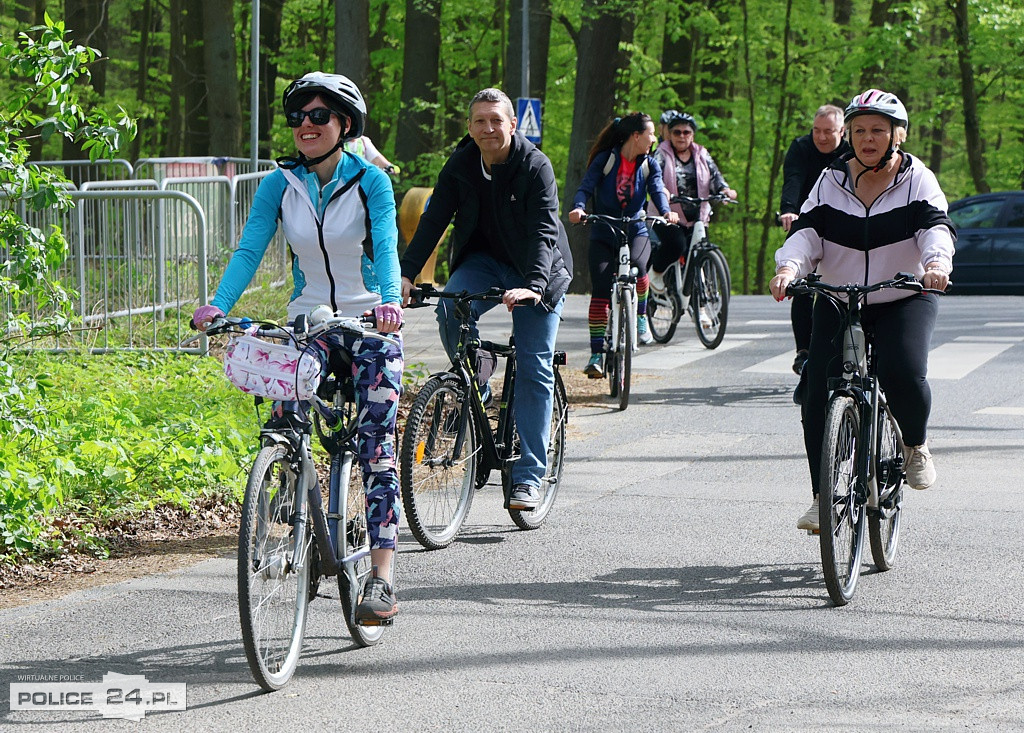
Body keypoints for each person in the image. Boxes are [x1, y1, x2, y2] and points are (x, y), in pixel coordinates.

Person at [192, 72, 405, 621]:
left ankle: (381, 577)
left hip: (367, 323)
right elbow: (249, 250)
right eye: (297, 117)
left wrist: (386, 302)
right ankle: (297, 525)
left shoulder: (370, 182)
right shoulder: (278, 184)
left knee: (377, 447)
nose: (305, 126)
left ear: (344, 125)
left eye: (318, 116)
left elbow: (386, 246)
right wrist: (217, 304)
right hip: (305, 322)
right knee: (285, 425)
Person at [769, 88, 955, 531]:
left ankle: (914, 443)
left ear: (897, 135)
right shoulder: (831, 180)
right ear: (848, 135)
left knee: (903, 371)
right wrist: (788, 267)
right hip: (840, 297)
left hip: (904, 294)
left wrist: (936, 263)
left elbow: (936, 228)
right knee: (817, 391)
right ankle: (821, 496)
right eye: (858, 131)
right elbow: (808, 232)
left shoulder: (917, 179)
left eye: (877, 130)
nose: (867, 138)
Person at [399, 87, 572, 512]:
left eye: (497, 120)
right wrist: (404, 275)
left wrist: (533, 284)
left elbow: (543, 233)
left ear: (512, 124)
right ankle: (478, 379)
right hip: (483, 261)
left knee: (533, 365)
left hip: (538, 270)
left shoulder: (535, 167)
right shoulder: (461, 163)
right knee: (448, 309)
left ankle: (529, 477)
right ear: (470, 127)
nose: (488, 128)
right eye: (480, 121)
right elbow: (434, 217)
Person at [568, 112, 679, 375]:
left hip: (636, 229)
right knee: (601, 290)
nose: (654, 138)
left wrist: (665, 212)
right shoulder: (605, 160)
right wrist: (579, 208)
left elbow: (657, 190)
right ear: (636, 136)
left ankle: (640, 316)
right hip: (604, 232)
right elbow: (585, 188)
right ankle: (596, 354)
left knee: (640, 268)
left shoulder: (649, 164)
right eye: (651, 134)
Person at [778, 104, 851, 376]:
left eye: (828, 132)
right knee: (802, 287)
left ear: (842, 131)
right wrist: (789, 208)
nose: (821, 137)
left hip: (843, 222)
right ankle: (803, 350)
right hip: (806, 219)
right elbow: (793, 179)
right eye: (816, 130)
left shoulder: (851, 153)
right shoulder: (800, 148)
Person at [647, 110, 736, 306]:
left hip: (697, 216)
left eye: (686, 132)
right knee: (678, 244)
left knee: (698, 257)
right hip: (667, 215)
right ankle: (656, 272)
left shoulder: (702, 154)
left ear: (692, 135)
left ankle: (699, 308)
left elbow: (715, 176)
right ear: (669, 134)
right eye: (677, 132)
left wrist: (725, 190)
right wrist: (662, 191)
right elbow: (654, 178)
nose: (682, 136)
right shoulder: (661, 153)